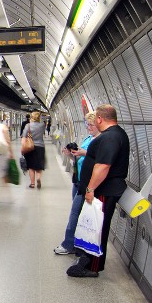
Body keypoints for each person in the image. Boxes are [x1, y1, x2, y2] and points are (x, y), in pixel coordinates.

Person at [67, 104, 130, 277]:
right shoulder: (114, 135)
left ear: (100, 119)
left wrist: (90, 188)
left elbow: (103, 166)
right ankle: (88, 259)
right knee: (96, 225)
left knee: (98, 227)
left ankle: (92, 267)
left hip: (104, 189)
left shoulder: (111, 137)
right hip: (103, 188)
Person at [54, 112, 99, 255]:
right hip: (78, 179)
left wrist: (84, 153)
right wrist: (71, 154)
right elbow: (80, 159)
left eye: (91, 124)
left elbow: (98, 160)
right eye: (87, 124)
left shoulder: (100, 140)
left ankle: (68, 244)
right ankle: (77, 243)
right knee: (77, 213)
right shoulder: (88, 138)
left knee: (75, 213)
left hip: (86, 183)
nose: (88, 127)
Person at [22, 111, 45, 189]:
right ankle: (38, 178)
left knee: (31, 166)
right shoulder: (42, 125)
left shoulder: (28, 126)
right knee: (38, 165)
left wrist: (23, 147)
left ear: (31, 117)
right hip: (40, 146)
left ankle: (32, 184)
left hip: (30, 147)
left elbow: (24, 137)